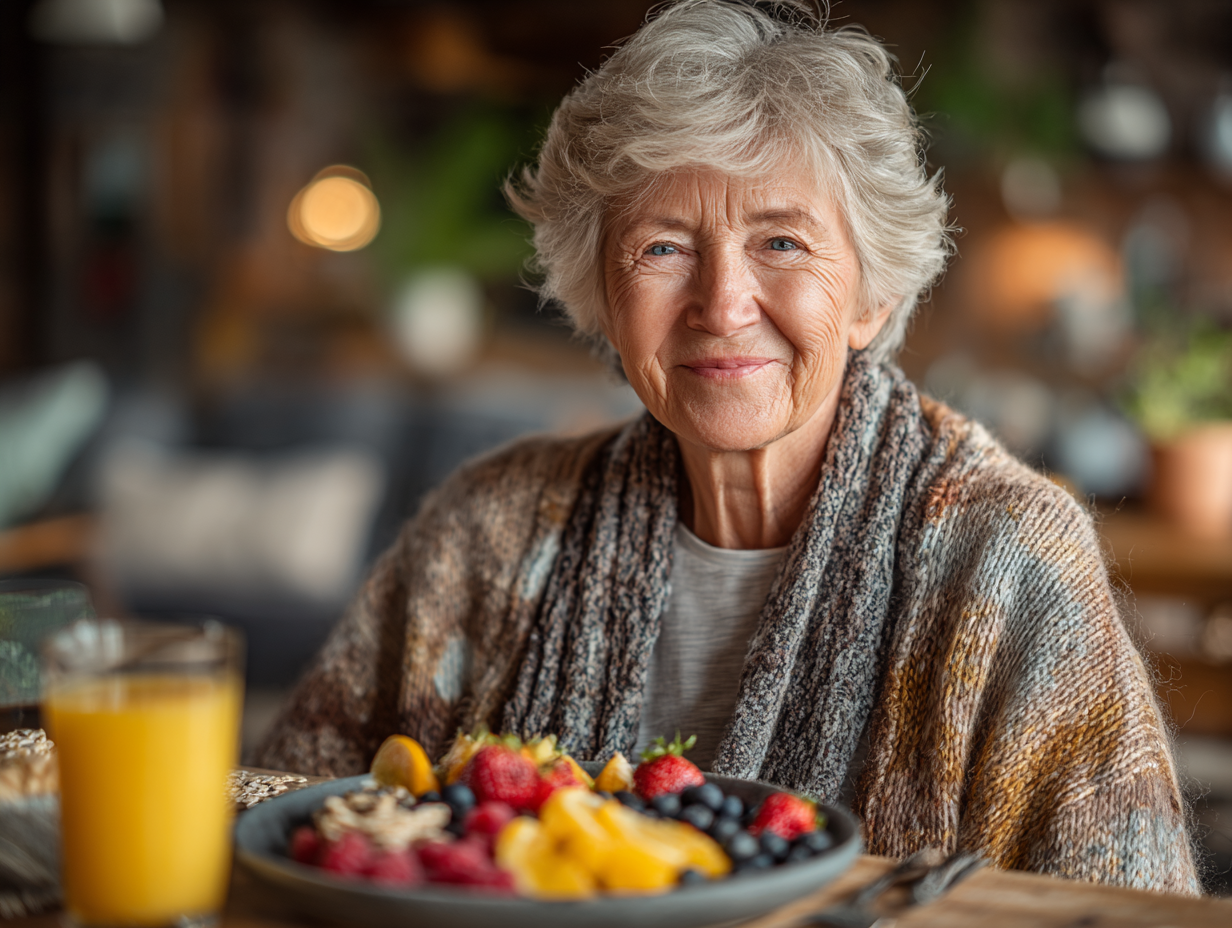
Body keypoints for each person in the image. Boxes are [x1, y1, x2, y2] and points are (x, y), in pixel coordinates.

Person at [257, 0, 1196, 893]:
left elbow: (1122, 905)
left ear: (870, 297)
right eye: (662, 249)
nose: (722, 305)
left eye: (782, 243)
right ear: (604, 297)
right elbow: (280, 827)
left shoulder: (1008, 557)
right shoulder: (485, 532)